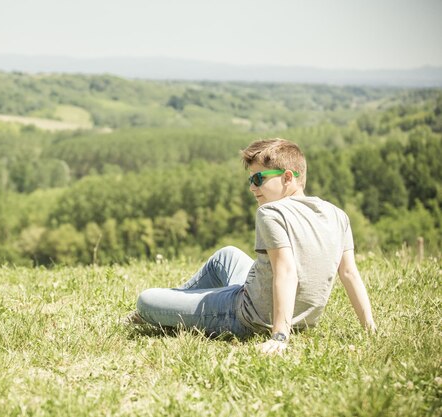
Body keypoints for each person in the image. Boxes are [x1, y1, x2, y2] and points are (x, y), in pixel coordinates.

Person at [128, 138, 376, 355]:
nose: (251, 187)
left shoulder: (271, 212)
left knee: (146, 300)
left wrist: (279, 336)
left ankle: (160, 311)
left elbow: (286, 272)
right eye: (250, 180)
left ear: (288, 177)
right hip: (301, 318)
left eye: (258, 179)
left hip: (250, 316)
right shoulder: (337, 214)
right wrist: (370, 330)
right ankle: (176, 303)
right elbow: (349, 274)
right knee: (227, 255)